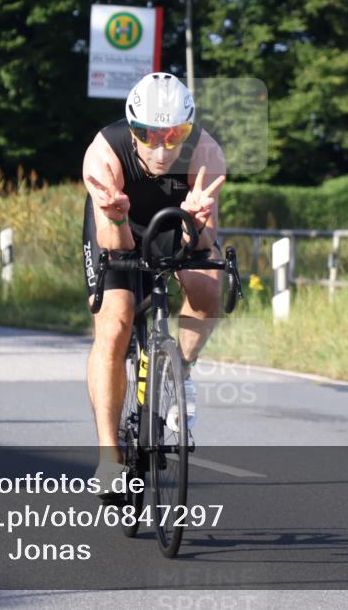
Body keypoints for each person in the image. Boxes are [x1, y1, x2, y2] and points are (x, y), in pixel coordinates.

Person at [82, 72, 226, 493]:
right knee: (115, 324)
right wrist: (116, 217)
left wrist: (196, 223)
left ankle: (182, 374)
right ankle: (109, 457)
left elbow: (203, 244)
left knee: (208, 289)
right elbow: (115, 248)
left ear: (188, 129)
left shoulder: (206, 153)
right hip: (118, 225)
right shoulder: (104, 154)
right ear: (132, 129)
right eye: (148, 135)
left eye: (174, 135)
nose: (161, 149)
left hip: (178, 222)